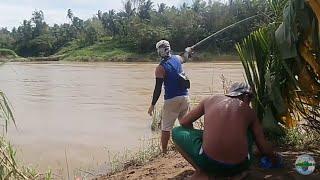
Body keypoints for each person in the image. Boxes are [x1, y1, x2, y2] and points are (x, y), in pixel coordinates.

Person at [172, 82, 279, 179]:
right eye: (250, 99)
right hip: (240, 166)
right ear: (246, 97)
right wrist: (275, 159)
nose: (250, 102)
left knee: (177, 131)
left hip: (208, 162)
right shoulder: (250, 113)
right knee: (249, 132)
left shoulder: (210, 100)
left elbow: (184, 122)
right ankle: (237, 174)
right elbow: (264, 147)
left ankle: (202, 171)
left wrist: (201, 141)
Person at [148, 40, 190, 154]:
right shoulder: (177, 58)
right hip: (185, 98)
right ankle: (189, 146)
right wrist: (187, 51)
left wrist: (152, 105)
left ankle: (164, 152)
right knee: (185, 123)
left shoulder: (160, 68)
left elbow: (158, 88)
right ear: (169, 48)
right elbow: (185, 57)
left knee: (166, 128)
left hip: (172, 100)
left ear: (159, 51)